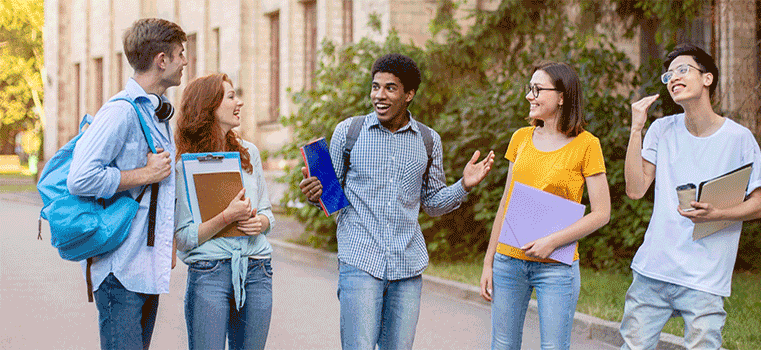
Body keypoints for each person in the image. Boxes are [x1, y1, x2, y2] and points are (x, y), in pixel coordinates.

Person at [299, 53, 495, 350]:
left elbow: (431, 202)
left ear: (409, 94)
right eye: (375, 87)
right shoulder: (348, 132)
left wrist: (463, 185)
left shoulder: (429, 141)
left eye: (390, 88)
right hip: (360, 260)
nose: (379, 95)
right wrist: (315, 193)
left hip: (407, 266)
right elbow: (330, 196)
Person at [619, 43, 761, 349]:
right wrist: (636, 129)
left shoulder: (739, 139)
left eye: (683, 69)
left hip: (705, 278)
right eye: (669, 74)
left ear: (707, 78)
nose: (673, 77)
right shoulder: (661, 130)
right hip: (654, 271)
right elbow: (635, 190)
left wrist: (718, 214)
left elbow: (760, 204)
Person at [66, 18, 187, 349]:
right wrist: (145, 174)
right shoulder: (120, 112)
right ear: (162, 60)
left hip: (144, 269)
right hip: (119, 271)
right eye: (181, 53)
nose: (185, 62)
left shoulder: (155, 113)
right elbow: (80, 177)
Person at [478, 61, 611, 350]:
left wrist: (552, 241)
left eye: (537, 89)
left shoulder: (587, 145)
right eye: (529, 88)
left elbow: (602, 213)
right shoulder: (521, 139)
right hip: (508, 262)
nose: (529, 95)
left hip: (556, 267)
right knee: (502, 344)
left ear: (562, 96)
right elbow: (506, 202)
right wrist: (489, 262)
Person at [173, 73, 275, 350]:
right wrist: (227, 217)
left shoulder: (249, 152)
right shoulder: (184, 166)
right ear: (209, 107)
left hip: (256, 269)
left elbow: (267, 213)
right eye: (230, 96)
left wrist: (261, 222)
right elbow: (182, 238)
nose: (238, 102)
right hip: (209, 273)